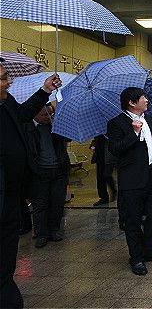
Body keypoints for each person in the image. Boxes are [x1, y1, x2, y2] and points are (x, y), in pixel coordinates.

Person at [0, 60, 61, 309]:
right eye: (4, 78)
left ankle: (6, 290)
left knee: (7, 247)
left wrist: (45, 90)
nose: (9, 81)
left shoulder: (7, 103)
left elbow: (24, 114)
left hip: (14, 193)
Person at [107, 87, 152, 276]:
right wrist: (133, 134)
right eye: (143, 98)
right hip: (132, 180)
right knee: (133, 220)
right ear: (132, 103)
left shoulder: (149, 119)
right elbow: (115, 149)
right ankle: (136, 257)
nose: (147, 101)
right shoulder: (116, 123)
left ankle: (148, 250)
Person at [25, 103, 70, 248]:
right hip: (39, 172)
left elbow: (67, 140)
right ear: (36, 115)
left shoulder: (56, 128)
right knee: (40, 204)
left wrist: (57, 126)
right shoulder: (28, 129)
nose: (48, 117)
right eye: (45, 115)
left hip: (58, 170)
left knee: (57, 202)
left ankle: (55, 230)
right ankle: (41, 233)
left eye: (51, 114)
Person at [90, 135, 117, 206]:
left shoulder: (112, 128)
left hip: (109, 156)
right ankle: (103, 197)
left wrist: (107, 136)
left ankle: (114, 190)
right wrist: (93, 145)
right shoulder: (98, 131)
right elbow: (95, 140)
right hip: (100, 156)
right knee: (100, 178)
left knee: (106, 175)